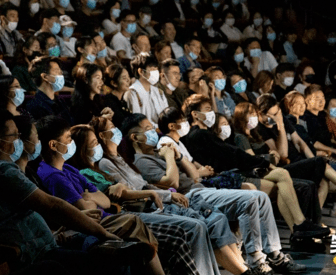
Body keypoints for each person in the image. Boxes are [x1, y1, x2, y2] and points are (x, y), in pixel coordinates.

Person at [0, 109, 153, 275]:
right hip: (30, 255)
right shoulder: (0, 171)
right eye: (14, 137)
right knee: (109, 258)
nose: (19, 141)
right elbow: (53, 205)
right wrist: (103, 233)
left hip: (45, 242)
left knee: (113, 251)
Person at [123, 112, 307, 274]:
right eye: (147, 128)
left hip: (199, 187)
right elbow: (173, 182)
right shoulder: (142, 161)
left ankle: (274, 253)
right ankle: (257, 260)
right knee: (250, 200)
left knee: (260, 196)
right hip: (189, 195)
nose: (154, 131)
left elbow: (194, 176)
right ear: (135, 137)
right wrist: (171, 157)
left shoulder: (158, 153)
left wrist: (178, 157)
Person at [76, 119, 254, 275]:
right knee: (199, 225)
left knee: (216, 217)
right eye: (94, 142)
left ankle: (244, 268)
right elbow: (167, 183)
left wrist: (176, 163)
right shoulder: (109, 163)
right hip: (143, 206)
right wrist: (165, 187)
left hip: (164, 197)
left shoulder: (121, 160)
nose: (153, 132)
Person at [35, 115, 200, 275]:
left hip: (109, 215)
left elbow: (104, 201)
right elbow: (85, 208)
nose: (71, 143)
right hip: (101, 222)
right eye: (68, 139)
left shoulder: (68, 169)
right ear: (53, 145)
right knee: (168, 232)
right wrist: (91, 199)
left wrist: (90, 197)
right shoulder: (53, 175)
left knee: (184, 228)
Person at [181, 94, 330, 238]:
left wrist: (263, 162)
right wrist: (263, 162)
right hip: (226, 178)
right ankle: (298, 226)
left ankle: (299, 226)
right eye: (207, 109)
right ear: (195, 114)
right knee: (282, 182)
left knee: (282, 176)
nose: (211, 112)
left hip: (235, 172)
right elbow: (233, 154)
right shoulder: (199, 135)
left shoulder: (203, 134)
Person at [125, 53, 168, 127]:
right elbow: (138, 122)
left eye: (156, 69)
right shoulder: (132, 93)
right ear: (141, 71)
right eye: (152, 69)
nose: (156, 73)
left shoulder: (159, 92)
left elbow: (167, 116)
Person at [26, 57, 73, 123]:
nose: (61, 75)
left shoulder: (60, 101)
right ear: (45, 77)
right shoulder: (36, 106)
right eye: (57, 71)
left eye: (60, 71)